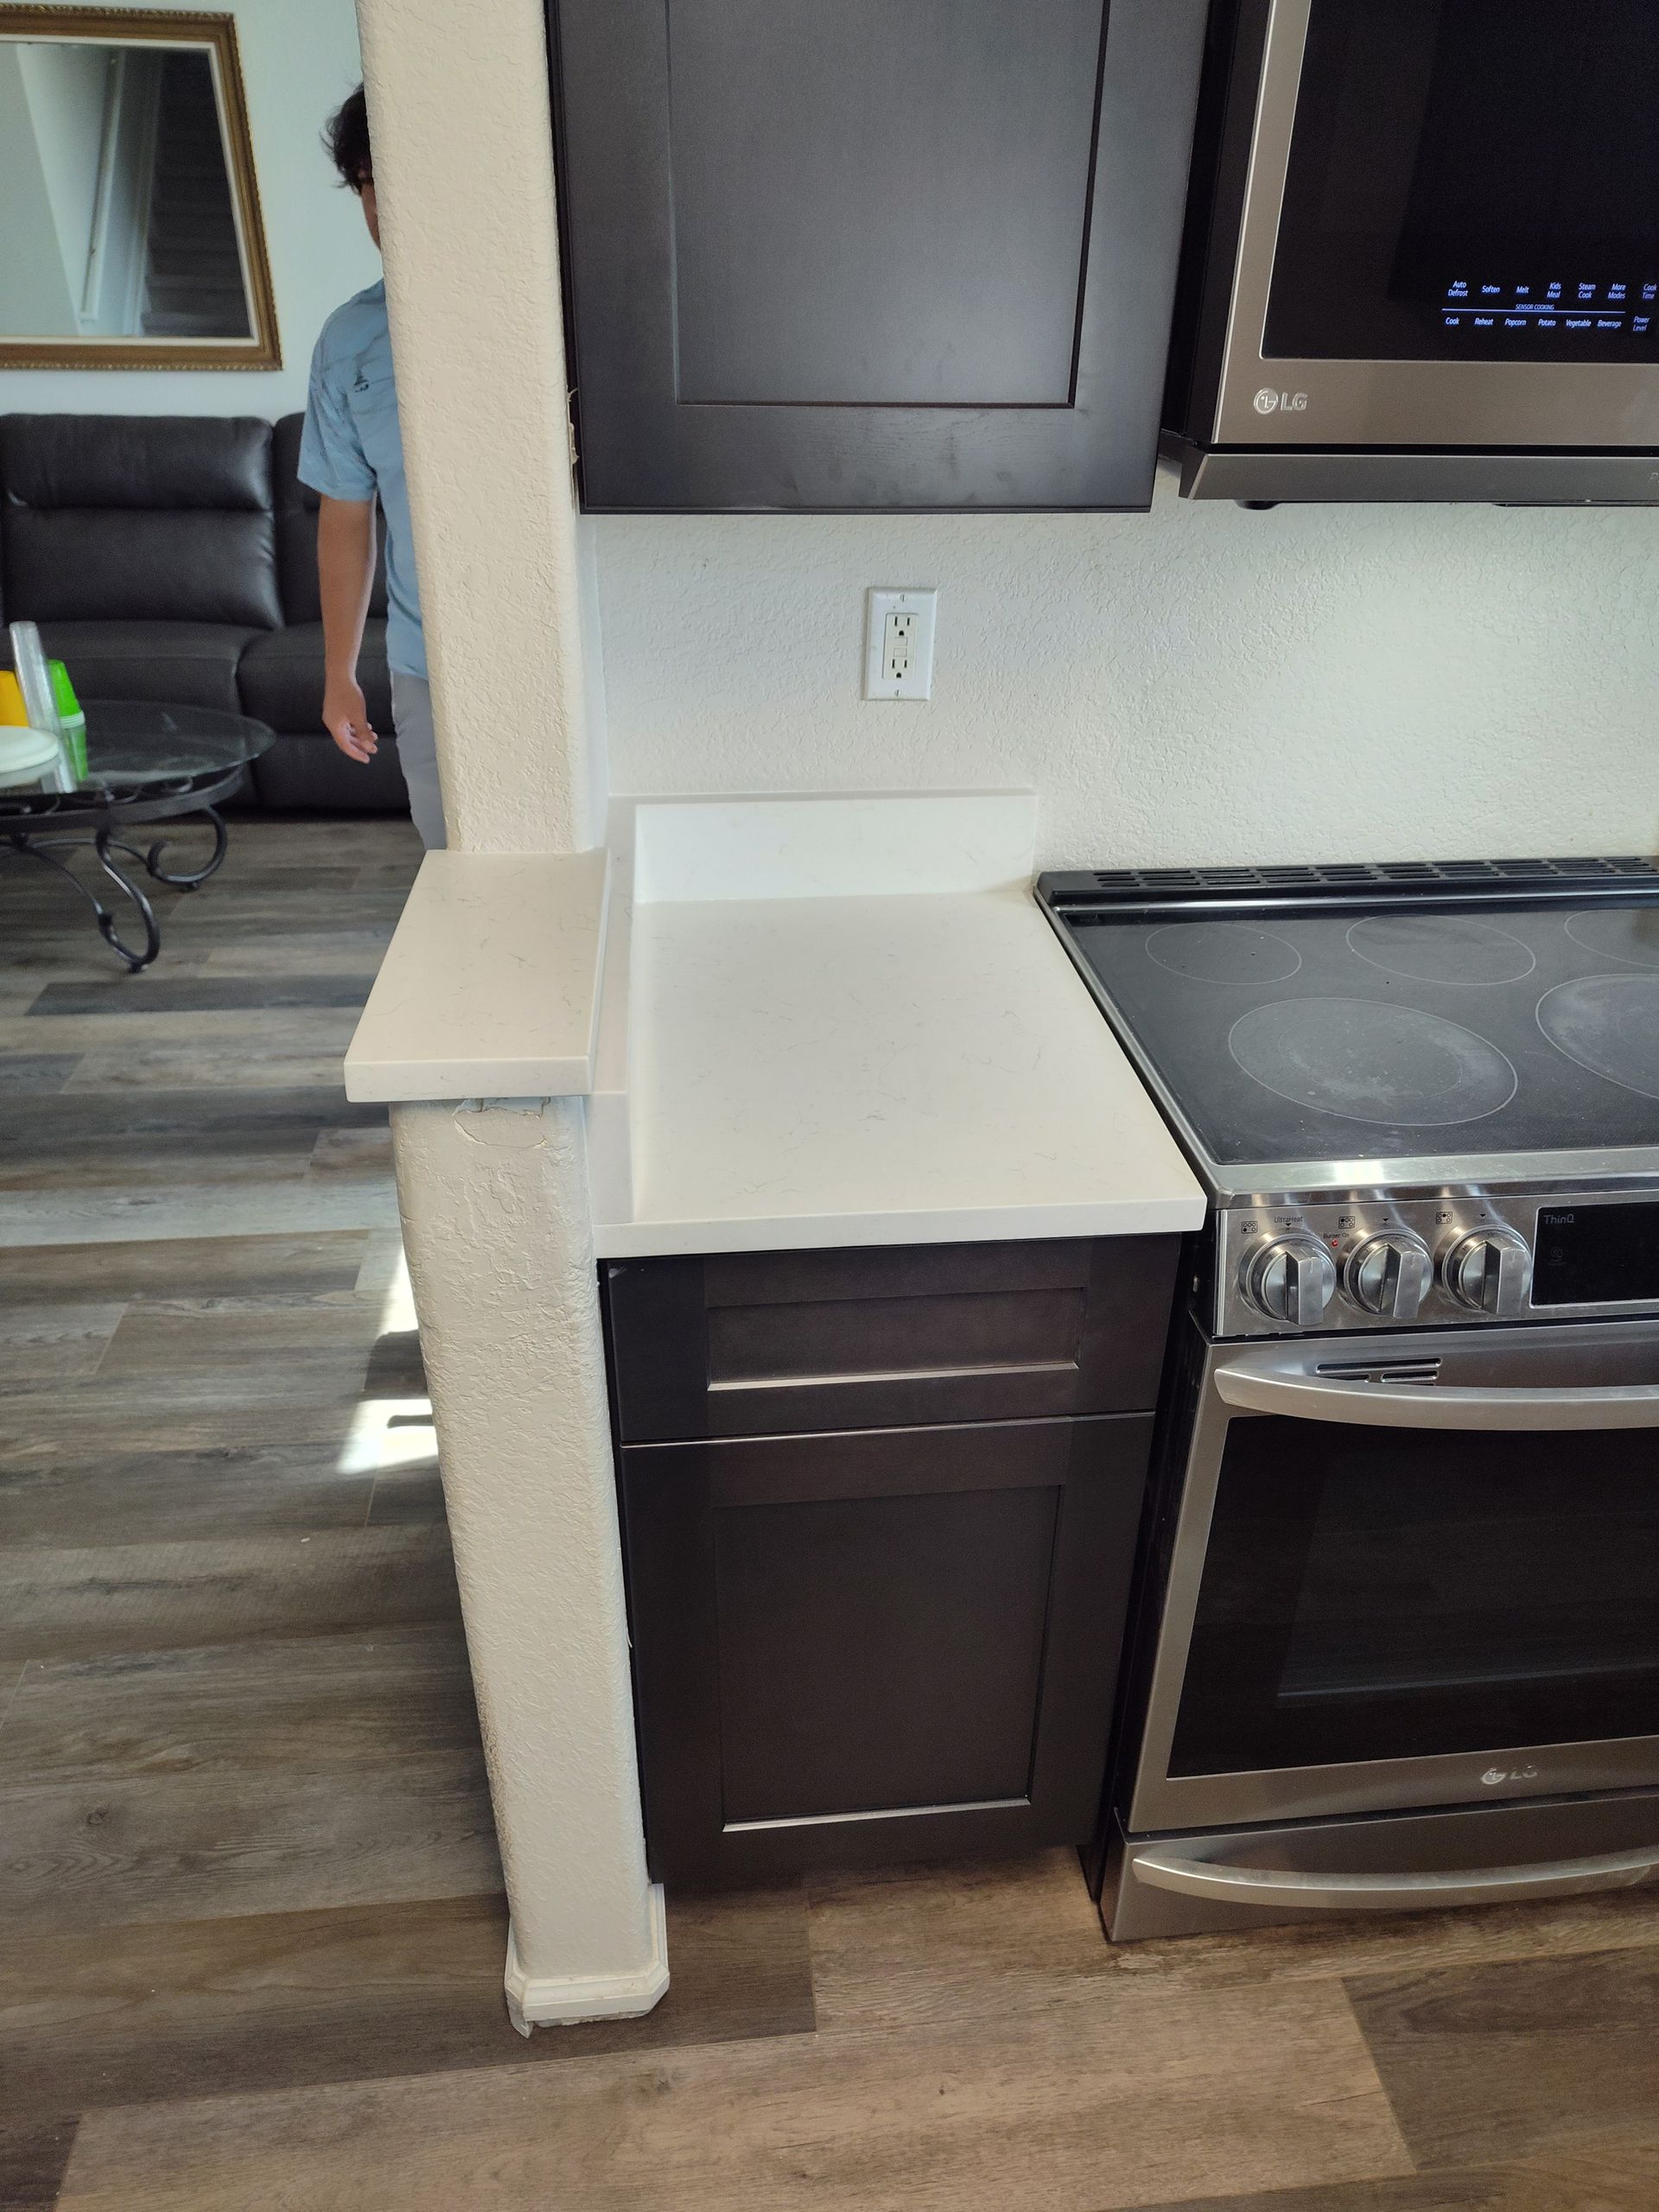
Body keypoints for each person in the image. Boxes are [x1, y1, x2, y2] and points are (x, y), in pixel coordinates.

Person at [298, 86, 445, 848]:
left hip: (553, 643)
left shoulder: (548, 311)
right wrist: (340, 671)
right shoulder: (348, 340)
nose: (381, 204)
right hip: (425, 664)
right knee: (453, 860)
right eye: (364, 181)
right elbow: (348, 513)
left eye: (395, 173)